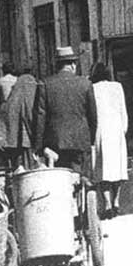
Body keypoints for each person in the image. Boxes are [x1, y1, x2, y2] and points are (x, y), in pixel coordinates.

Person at [35, 46, 97, 178]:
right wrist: (90, 140)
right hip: (80, 141)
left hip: (55, 142)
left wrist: (40, 147)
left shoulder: (45, 84)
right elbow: (93, 116)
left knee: (60, 180)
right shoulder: (85, 84)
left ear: (57, 65)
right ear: (73, 65)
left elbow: (40, 117)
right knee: (80, 179)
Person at [90, 62, 129, 217]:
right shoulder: (117, 87)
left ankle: (107, 204)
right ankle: (116, 201)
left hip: (100, 130)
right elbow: (123, 109)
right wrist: (123, 129)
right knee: (117, 167)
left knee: (102, 168)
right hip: (116, 129)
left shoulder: (92, 88)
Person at [0, 65, 46, 170]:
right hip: (22, 126)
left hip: (7, 128)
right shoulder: (28, 83)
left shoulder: (10, 86)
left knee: (12, 159)